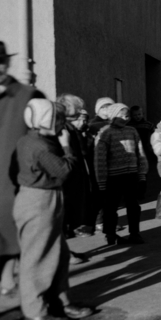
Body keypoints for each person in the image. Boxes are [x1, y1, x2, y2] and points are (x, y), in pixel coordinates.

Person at [11, 98, 94, 320]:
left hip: (46, 197)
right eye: (58, 119)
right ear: (45, 120)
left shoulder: (38, 140)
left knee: (58, 254)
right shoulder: (38, 145)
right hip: (38, 200)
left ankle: (59, 301)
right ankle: (34, 313)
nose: (62, 123)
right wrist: (67, 147)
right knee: (37, 258)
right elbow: (64, 170)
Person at [0, 40, 38, 298]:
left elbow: (40, 136)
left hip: (11, 179)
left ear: (8, 62)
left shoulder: (26, 95)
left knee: (12, 232)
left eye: (1, 61)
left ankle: (9, 282)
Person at [94, 102, 148, 247]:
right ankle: (110, 234)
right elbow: (100, 159)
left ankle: (135, 233)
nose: (126, 117)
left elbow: (140, 153)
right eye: (122, 115)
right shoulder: (106, 133)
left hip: (131, 175)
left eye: (127, 115)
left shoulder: (132, 131)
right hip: (113, 177)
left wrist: (142, 174)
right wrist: (102, 181)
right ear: (112, 116)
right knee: (111, 207)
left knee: (133, 206)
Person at [55, 95, 96, 237]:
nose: (81, 110)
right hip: (66, 174)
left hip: (75, 172)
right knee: (65, 208)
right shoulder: (61, 127)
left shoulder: (71, 127)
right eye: (77, 107)